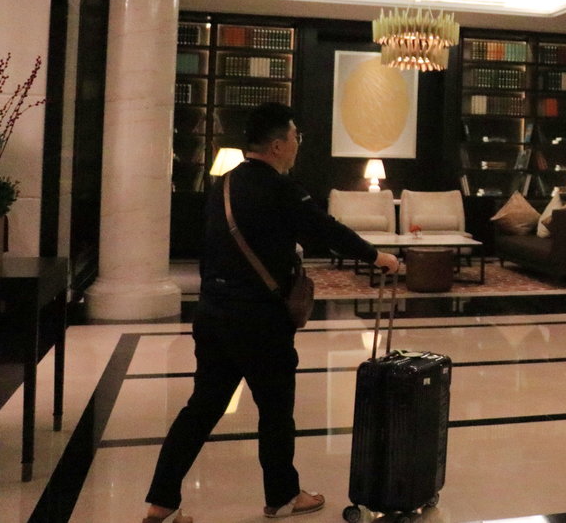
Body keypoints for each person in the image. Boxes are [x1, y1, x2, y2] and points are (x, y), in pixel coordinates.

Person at [143, 103, 401, 523]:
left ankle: (162, 502)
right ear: (278, 145)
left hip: (213, 313)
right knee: (276, 412)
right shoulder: (281, 188)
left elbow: (212, 248)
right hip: (259, 320)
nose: (298, 144)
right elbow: (325, 229)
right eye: (296, 136)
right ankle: (282, 497)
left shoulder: (224, 184)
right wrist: (377, 256)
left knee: (201, 409)